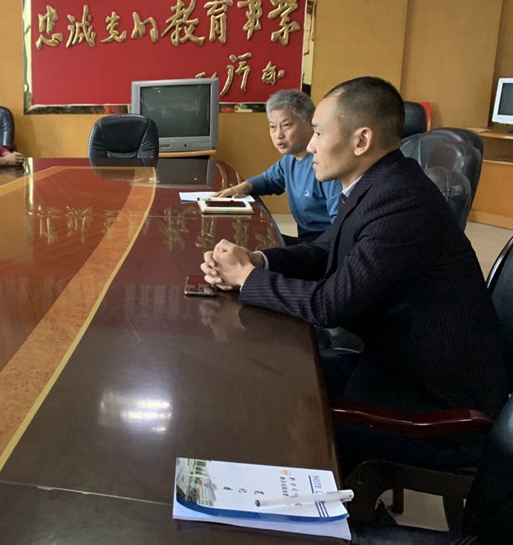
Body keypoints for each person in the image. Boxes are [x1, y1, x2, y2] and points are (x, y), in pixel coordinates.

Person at [201, 76, 509, 471]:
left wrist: (246, 278)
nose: (311, 146)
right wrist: (259, 261)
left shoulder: (400, 202)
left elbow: (330, 306)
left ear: (361, 141)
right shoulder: (379, 182)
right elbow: (322, 250)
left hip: (438, 409)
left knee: (272, 415)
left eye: (318, 133)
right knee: (266, 375)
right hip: (393, 367)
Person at [215, 89, 340, 244]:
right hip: (307, 243)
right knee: (242, 237)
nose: (278, 135)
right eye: (273, 127)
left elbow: (341, 230)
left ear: (310, 124)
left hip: (323, 247)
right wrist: (243, 187)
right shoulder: (290, 160)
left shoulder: (327, 166)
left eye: (286, 125)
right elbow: (268, 180)